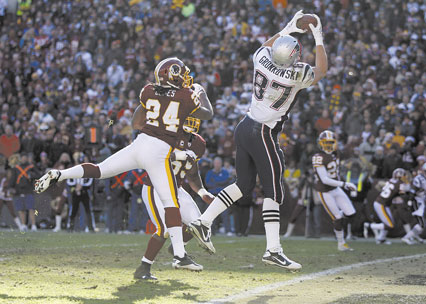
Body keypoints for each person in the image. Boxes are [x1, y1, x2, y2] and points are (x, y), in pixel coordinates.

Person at [35, 58, 213, 267]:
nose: (185, 77)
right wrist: (201, 94)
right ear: (173, 73)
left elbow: (137, 121)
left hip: (140, 143)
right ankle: (180, 256)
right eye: (181, 73)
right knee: (171, 203)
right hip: (159, 150)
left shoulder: (148, 90)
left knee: (100, 170)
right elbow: (207, 114)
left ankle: (60, 174)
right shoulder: (185, 95)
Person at [188, 11, 327, 270]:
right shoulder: (294, 75)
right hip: (262, 132)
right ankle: (273, 249)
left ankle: (203, 221)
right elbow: (321, 70)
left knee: (243, 184)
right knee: (273, 190)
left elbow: (266, 45)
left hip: (245, 126)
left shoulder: (261, 58)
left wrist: (287, 28)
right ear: (293, 57)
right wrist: (318, 36)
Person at [134, 117, 214, 279]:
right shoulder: (167, 134)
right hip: (155, 187)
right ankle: (144, 268)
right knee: (164, 229)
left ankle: (178, 250)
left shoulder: (199, 143)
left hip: (176, 189)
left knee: (198, 225)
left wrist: (202, 192)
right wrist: (182, 155)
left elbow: (192, 173)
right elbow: (157, 157)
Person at [312, 130, 357, 251]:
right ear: (320, 143)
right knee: (337, 217)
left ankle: (338, 222)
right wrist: (344, 184)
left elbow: (348, 153)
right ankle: (341, 243)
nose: (328, 145)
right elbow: (325, 179)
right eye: (325, 142)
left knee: (351, 213)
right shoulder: (318, 157)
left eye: (330, 142)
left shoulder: (336, 153)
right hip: (324, 191)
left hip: (335, 189)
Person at [371, 168, 411, 244]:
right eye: (403, 176)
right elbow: (405, 191)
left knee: (390, 222)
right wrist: (407, 183)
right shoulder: (400, 184)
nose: (405, 177)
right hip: (381, 204)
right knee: (390, 225)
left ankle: (381, 239)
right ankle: (370, 226)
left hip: (383, 204)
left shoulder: (390, 181)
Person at [401, 162, 426, 244]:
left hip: (422, 201)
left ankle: (415, 234)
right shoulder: (418, 179)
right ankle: (406, 237)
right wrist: (410, 201)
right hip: (416, 200)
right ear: (423, 171)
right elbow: (413, 190)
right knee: (422, 223)